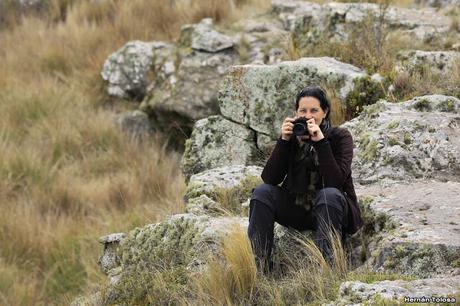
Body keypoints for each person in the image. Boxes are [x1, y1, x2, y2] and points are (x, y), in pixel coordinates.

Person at [247, 85, 363, 273]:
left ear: (324, 112)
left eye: (314, 110)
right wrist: (283, 141)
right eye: (303, 110)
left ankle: (329, 270)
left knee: (329, 195)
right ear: (296, 113)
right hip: (298, 208)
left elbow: (336, 182)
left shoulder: (340, 137)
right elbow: (270, 178)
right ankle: (261, 268)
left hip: (330, 209)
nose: (308, 115)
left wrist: (321, 142)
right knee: (261, 193)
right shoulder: (293, 137)